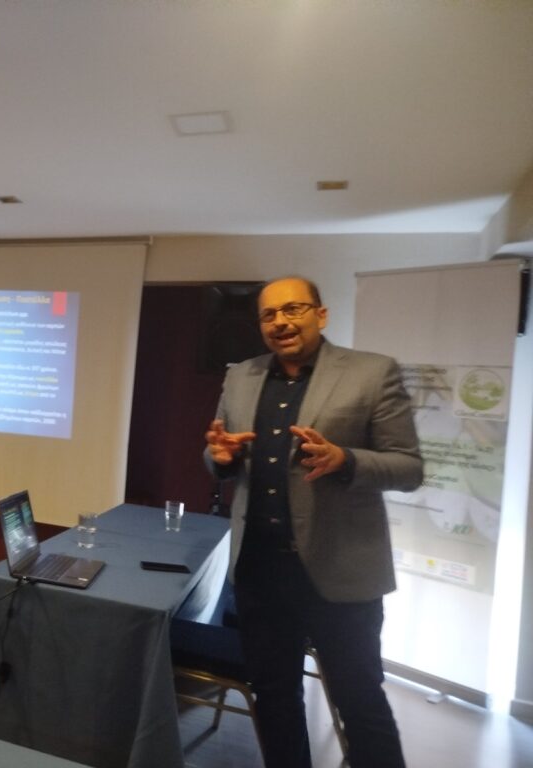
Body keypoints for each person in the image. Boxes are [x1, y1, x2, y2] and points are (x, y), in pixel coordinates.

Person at [204, 276, 422, 768]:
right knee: (274, 699)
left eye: (293, 309)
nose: (280, 322)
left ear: (320, 315)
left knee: (359, 702)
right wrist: (219, 458)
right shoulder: (240, 376)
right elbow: (221, 451)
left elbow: (409, 468)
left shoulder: (372, 372)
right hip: (261, 573)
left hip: (341, 572)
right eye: (268, 314)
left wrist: (345, 460)